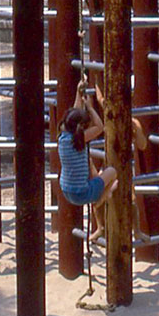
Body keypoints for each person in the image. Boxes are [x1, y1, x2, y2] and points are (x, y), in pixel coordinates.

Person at [58, 78, 118, 239]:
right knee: (113, 172)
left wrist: (79, 92)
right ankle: (99, 201)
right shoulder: (79, 138)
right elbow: (100, 127)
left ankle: (99, 205)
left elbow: (74, 113)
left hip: (66, 190)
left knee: (91, 167)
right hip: (82, 194)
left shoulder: (63, 137)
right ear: (81, 128)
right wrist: (91, 108)